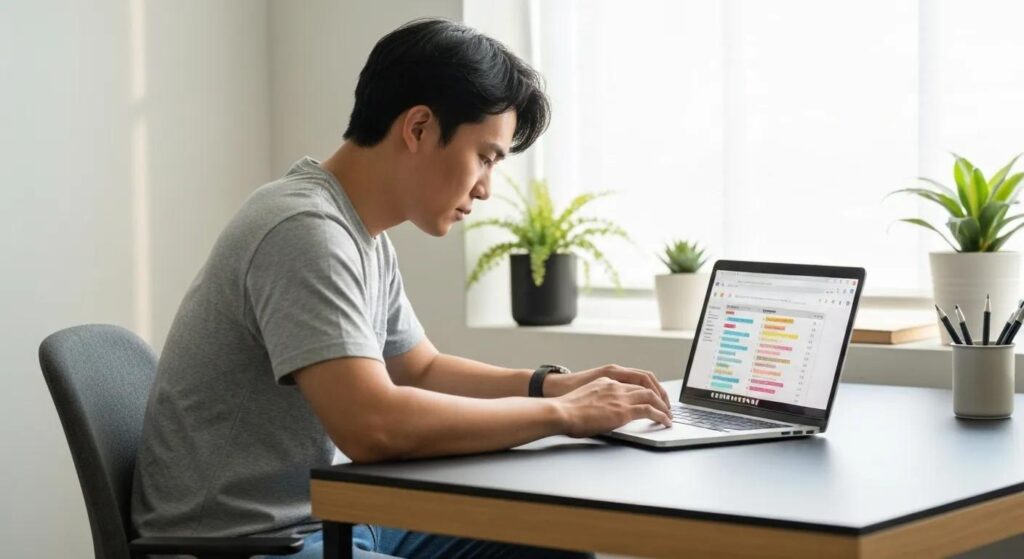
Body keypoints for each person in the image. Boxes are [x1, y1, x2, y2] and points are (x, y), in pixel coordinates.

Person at [131, 17, 672, 559]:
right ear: (417, 128)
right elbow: (373, 427)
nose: (485, 188)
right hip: (247, 544)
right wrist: (567, 416)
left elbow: (420, 369)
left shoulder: (360, 234)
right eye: (484, 157)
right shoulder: (303, 233)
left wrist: (554, 386)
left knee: (556, 545)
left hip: (333, 520)